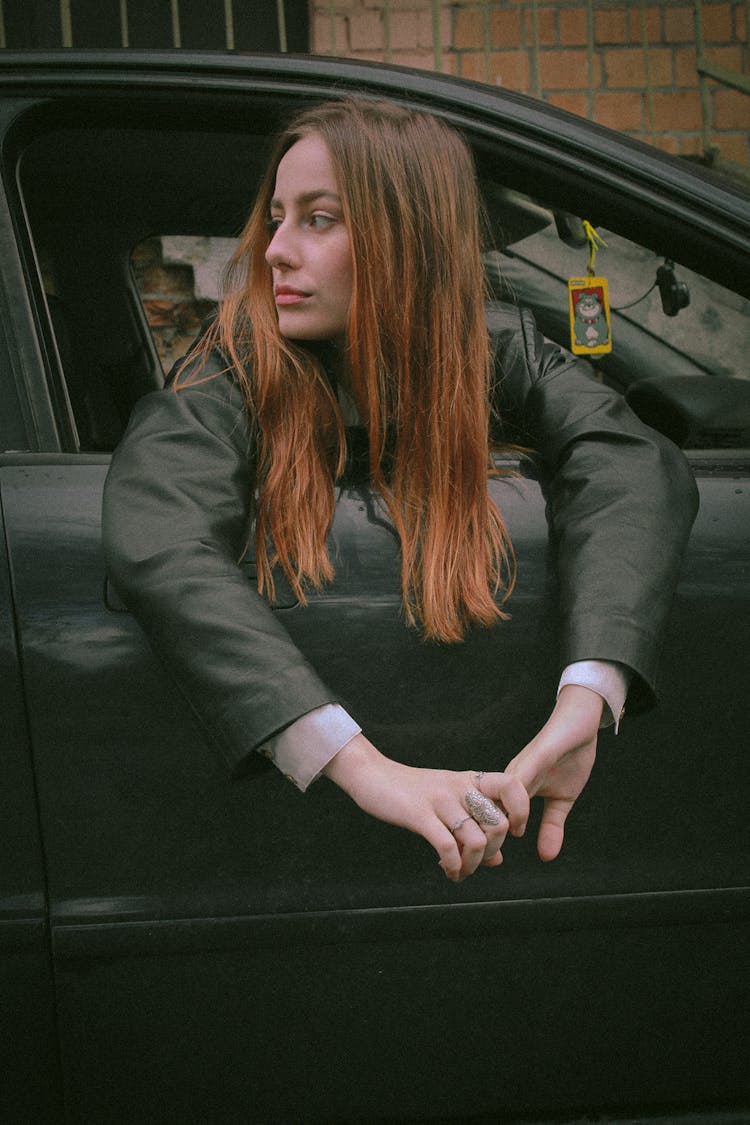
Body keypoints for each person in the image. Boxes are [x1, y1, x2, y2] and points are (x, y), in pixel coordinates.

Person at [102, 98, 697, 883]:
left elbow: (629, 459)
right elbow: (160, 531)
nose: (274, 250)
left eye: (318, 219)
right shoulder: (233, 368)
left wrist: (588, 695)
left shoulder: (497, 347)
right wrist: (363, 765)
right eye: (277, 218)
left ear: (407, 239)